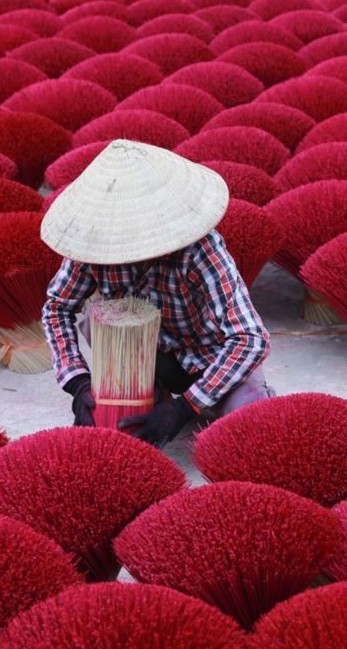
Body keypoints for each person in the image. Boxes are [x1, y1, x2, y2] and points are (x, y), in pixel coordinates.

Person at [41, 139, 272, 448]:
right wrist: (77, 381)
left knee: (253, 421)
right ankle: (151, 389)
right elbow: (57, 307)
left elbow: (251, 339)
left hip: (208, 357)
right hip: (138, 355)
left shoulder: (200, 250)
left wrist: (184, 407)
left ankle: (174, 397)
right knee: (92, 323)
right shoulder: (94, 244)